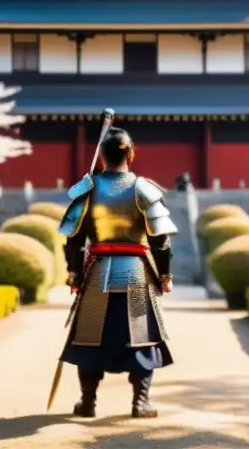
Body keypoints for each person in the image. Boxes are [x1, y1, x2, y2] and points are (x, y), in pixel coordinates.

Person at [57, 126, 177, 419]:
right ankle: (141, 402)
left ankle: (88, 402)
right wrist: (164, 275)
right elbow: (161, 242)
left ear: (101, 156)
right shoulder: (144, 190)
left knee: (90, 338)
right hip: (136, 275)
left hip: (96, 275)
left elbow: (72, 239)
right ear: (131, 154)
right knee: (140, 338)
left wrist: (74, 274)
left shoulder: (87, 190)